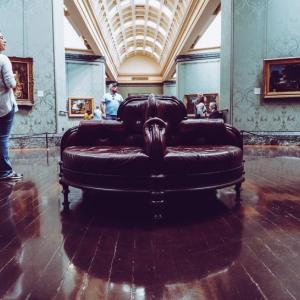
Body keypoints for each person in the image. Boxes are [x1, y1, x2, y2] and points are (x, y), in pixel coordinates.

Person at [0, 31, 22, 180]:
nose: (5, 40)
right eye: (1, 37)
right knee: (2, 138)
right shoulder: (3, 59)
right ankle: (5, 172)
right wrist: (14, 79)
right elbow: (11, 84)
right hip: (4, 105)